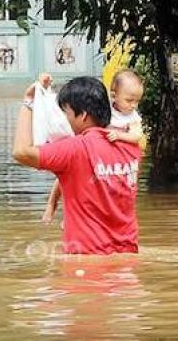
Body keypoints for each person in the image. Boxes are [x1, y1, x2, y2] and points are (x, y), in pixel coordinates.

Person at [12, 76, 143, 254]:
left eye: (66, 113)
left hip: (86, 264)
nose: (65, 119)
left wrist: (29, 103)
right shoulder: (132, 148)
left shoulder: (75, 149)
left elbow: (21, 152)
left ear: (83, 115)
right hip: (128, 259)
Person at [42, 69, 145, 226]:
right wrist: (45, 89)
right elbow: (73, 106)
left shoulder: (133, 117)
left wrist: (119, 136)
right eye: (129, 100)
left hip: (112, 155)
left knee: (94, 186)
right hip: (94, 149)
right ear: (113, 96)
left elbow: (137, 136)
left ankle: (76, 217)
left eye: (137, 101)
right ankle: (52, 204)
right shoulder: (105, 107)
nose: (133, 106)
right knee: (65, 175)